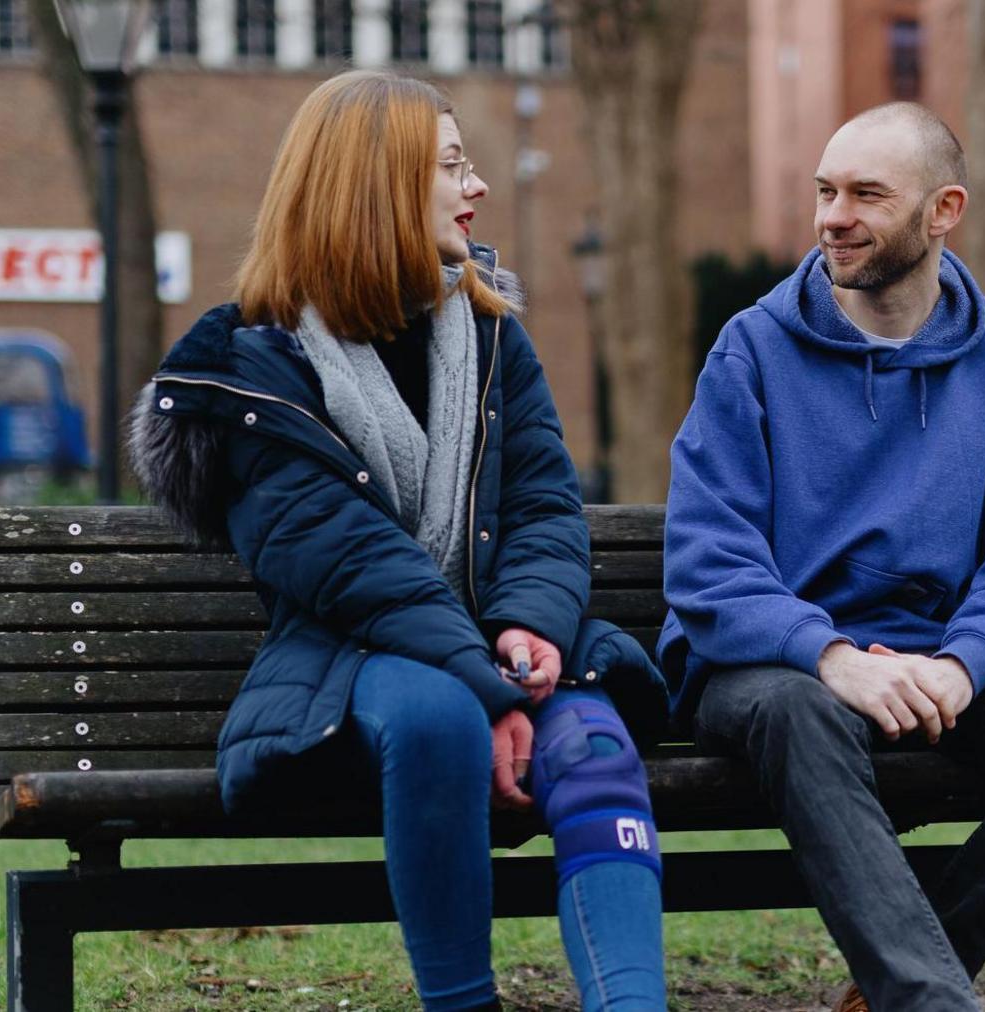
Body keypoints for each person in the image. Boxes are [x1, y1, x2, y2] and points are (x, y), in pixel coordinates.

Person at [130, 70, 669, 1012]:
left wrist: (533, 625)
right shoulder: (255, 367)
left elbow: (545, 503)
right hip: (353, 661)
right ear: (374, 186)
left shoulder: (493, 335)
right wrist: (486, 683)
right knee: (436, 720)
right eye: (453, 166)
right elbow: (348, 565)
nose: (479, 188)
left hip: (494, 642)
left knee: (594, 744)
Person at [658, 102, 985, 1011]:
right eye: (824, 191)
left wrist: (964, 670)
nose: (832, 217)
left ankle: (905, 981)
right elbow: (708, 560)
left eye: (866, 195)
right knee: (801, 713)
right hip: (772, 664)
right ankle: (929, 1001)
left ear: (943, 211)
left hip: (935, 662)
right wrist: (833, 657)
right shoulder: (753, 351)